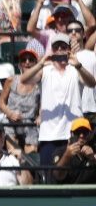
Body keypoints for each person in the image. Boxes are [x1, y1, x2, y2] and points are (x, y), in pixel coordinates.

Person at [18, 34, 96, 176]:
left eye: (63, 47)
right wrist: (40, 64)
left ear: (69, 49)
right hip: (49, 135)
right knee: (49, 179)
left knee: (74, 177)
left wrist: (77, 64)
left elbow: (92, 83)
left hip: (73, 133)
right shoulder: (45, 70)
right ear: (52, 50)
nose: (60, 49)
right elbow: (23, 79)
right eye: (56, 47)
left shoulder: (76, 69)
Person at [54, 117, 96, 183]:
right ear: (72, 134)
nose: (81, 135)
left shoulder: (94, 149)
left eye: (85, 132)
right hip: (68, 188)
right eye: (77, 132)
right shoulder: (61, 151)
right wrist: (67, 155)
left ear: (90, 135)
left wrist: (93, 157)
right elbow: (59, 176)